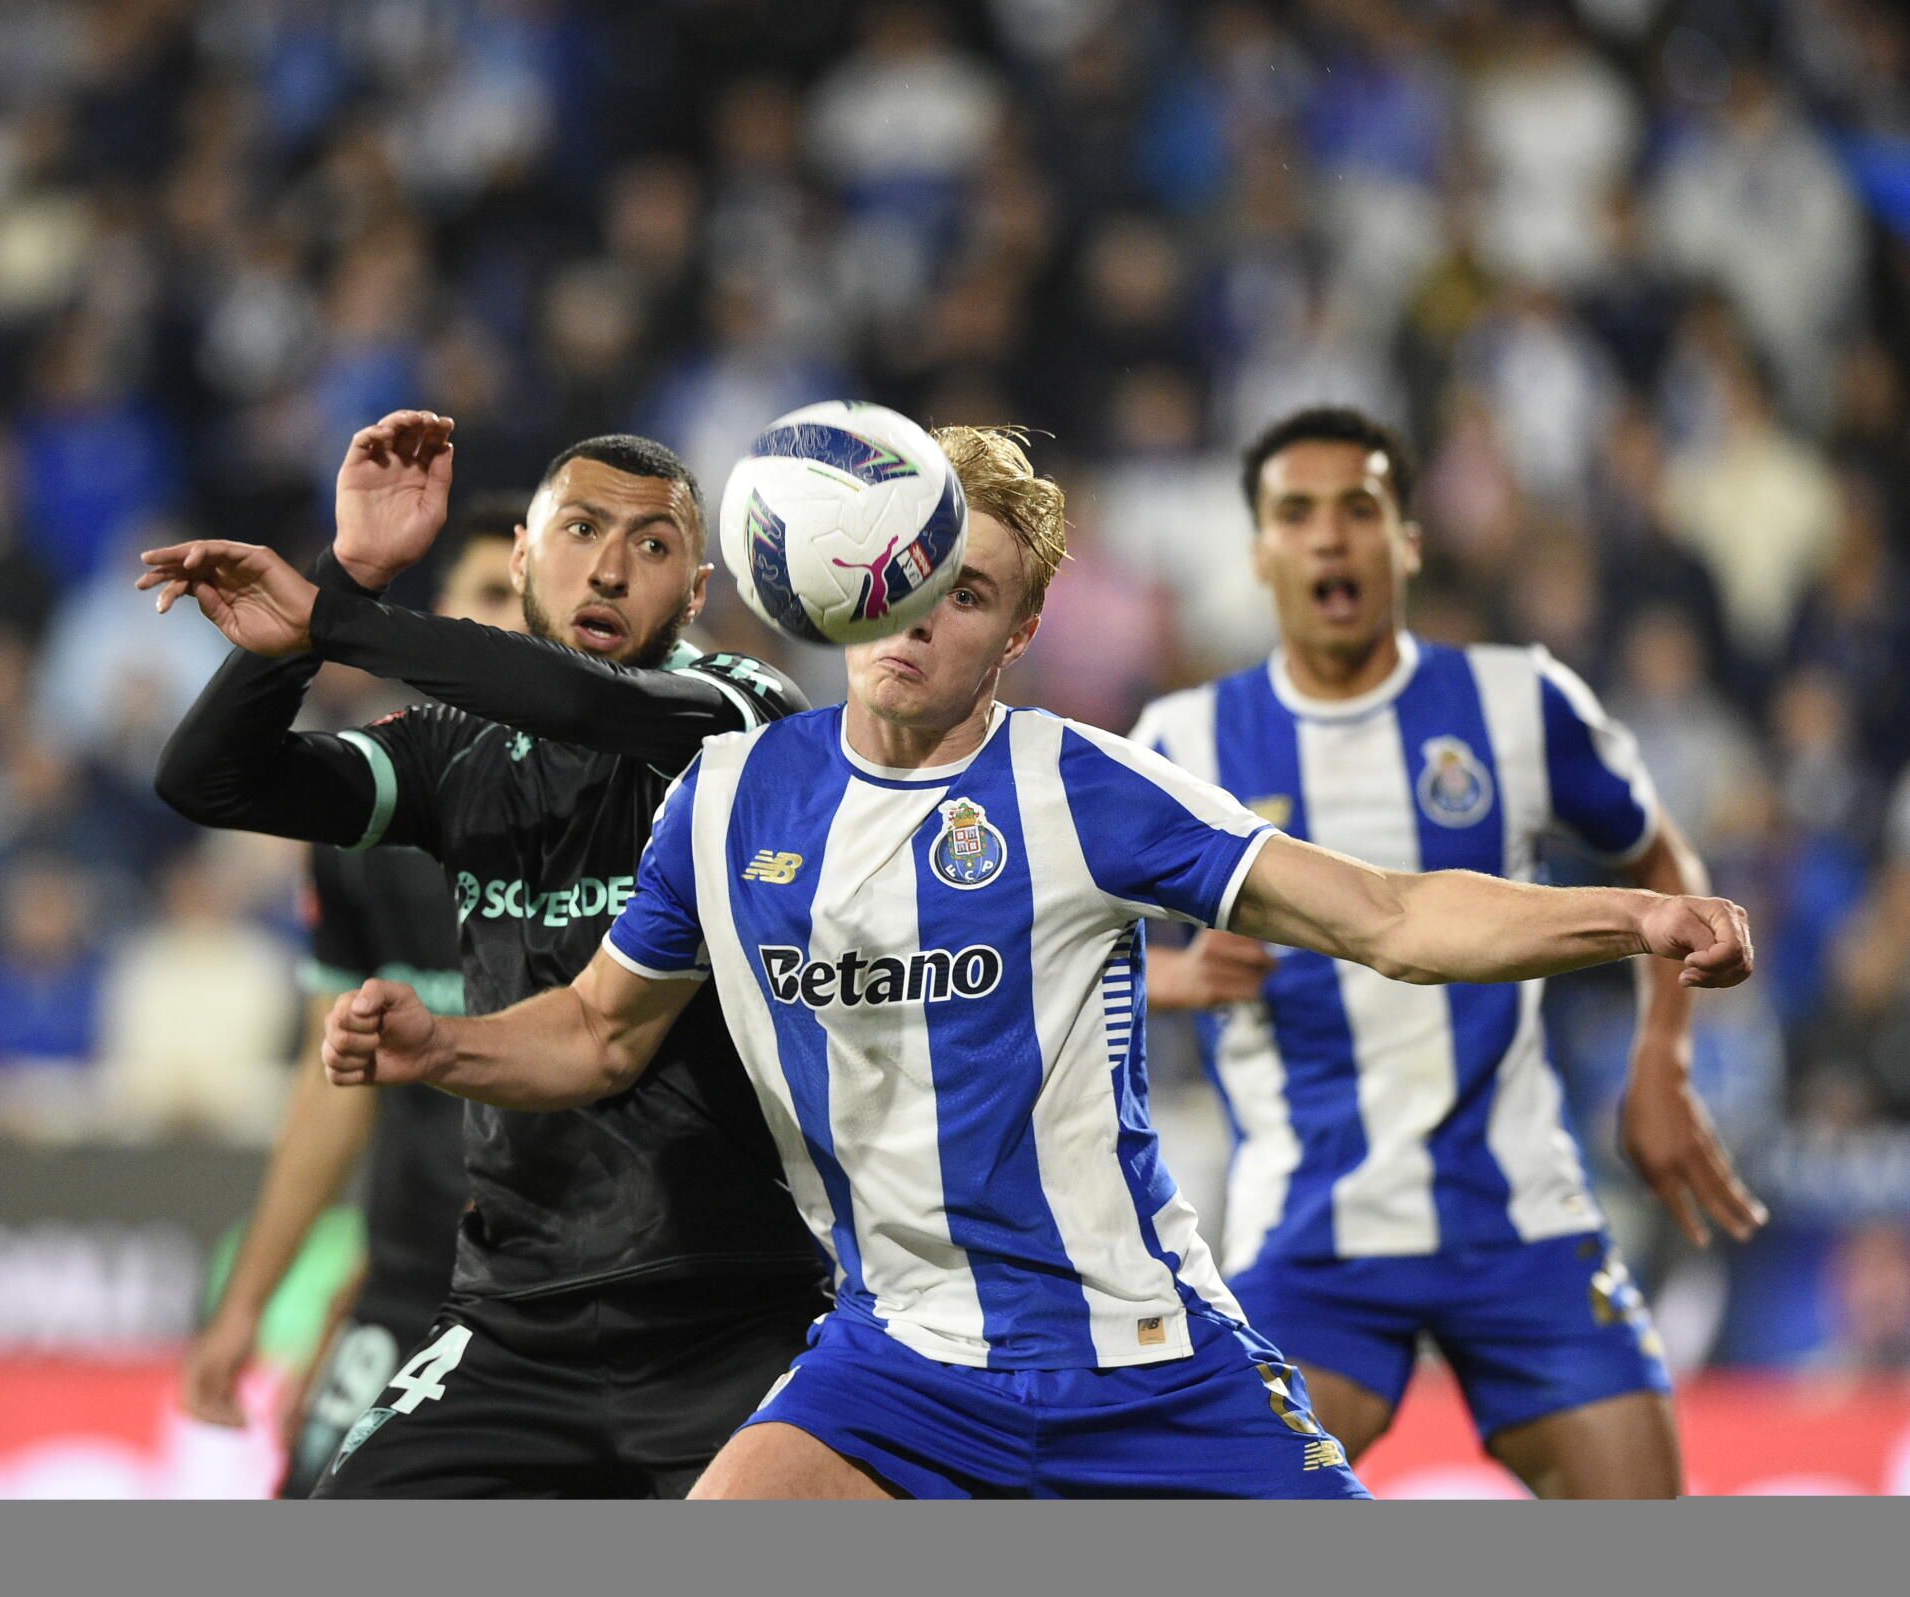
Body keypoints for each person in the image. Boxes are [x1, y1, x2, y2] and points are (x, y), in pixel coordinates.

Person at [318, 425, 1756, 1500]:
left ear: (1017, 631)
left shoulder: (1089, 791)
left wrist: (1624, 919)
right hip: (893, 1366)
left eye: (969, 593)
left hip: (1143, 1361)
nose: (920, 612)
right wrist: (436, 1046)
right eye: (909, 570)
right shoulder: (730, 793)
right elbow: (596, 1034)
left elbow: (1386, 916)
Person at [146, 412, 830, 1497]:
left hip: (731, 1317)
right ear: (523, 559)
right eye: (581, 531)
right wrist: (340, 585)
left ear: (696, 593)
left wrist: (335, 614)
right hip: (516, 1323)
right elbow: (208, 782)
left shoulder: (746, 715)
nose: (609, 569)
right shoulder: (453, 754)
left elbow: (577, 699)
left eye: (652, 547)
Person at [1131, 405, 1767, 1496]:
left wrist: (1660, 1058)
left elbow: (1663, 857)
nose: (1330, 536)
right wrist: (1172, 976)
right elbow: (1050, 938)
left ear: (1408, 540)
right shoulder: (1179, 742)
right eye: (1298, 513)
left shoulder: (1519, 702)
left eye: (1360, 508)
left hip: (1518, 1207)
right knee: (1220, 1520)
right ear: (1260, 553)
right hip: (1310, 1225)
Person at [177, 502, 524, 1498]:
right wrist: (259, 1301)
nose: (511, 627)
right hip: (405, 1285)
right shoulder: (367, 824)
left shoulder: (633, 815)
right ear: (441, 623)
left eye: (527, 602)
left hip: (569, 1303)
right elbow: (334, 1088)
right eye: (488, 596)